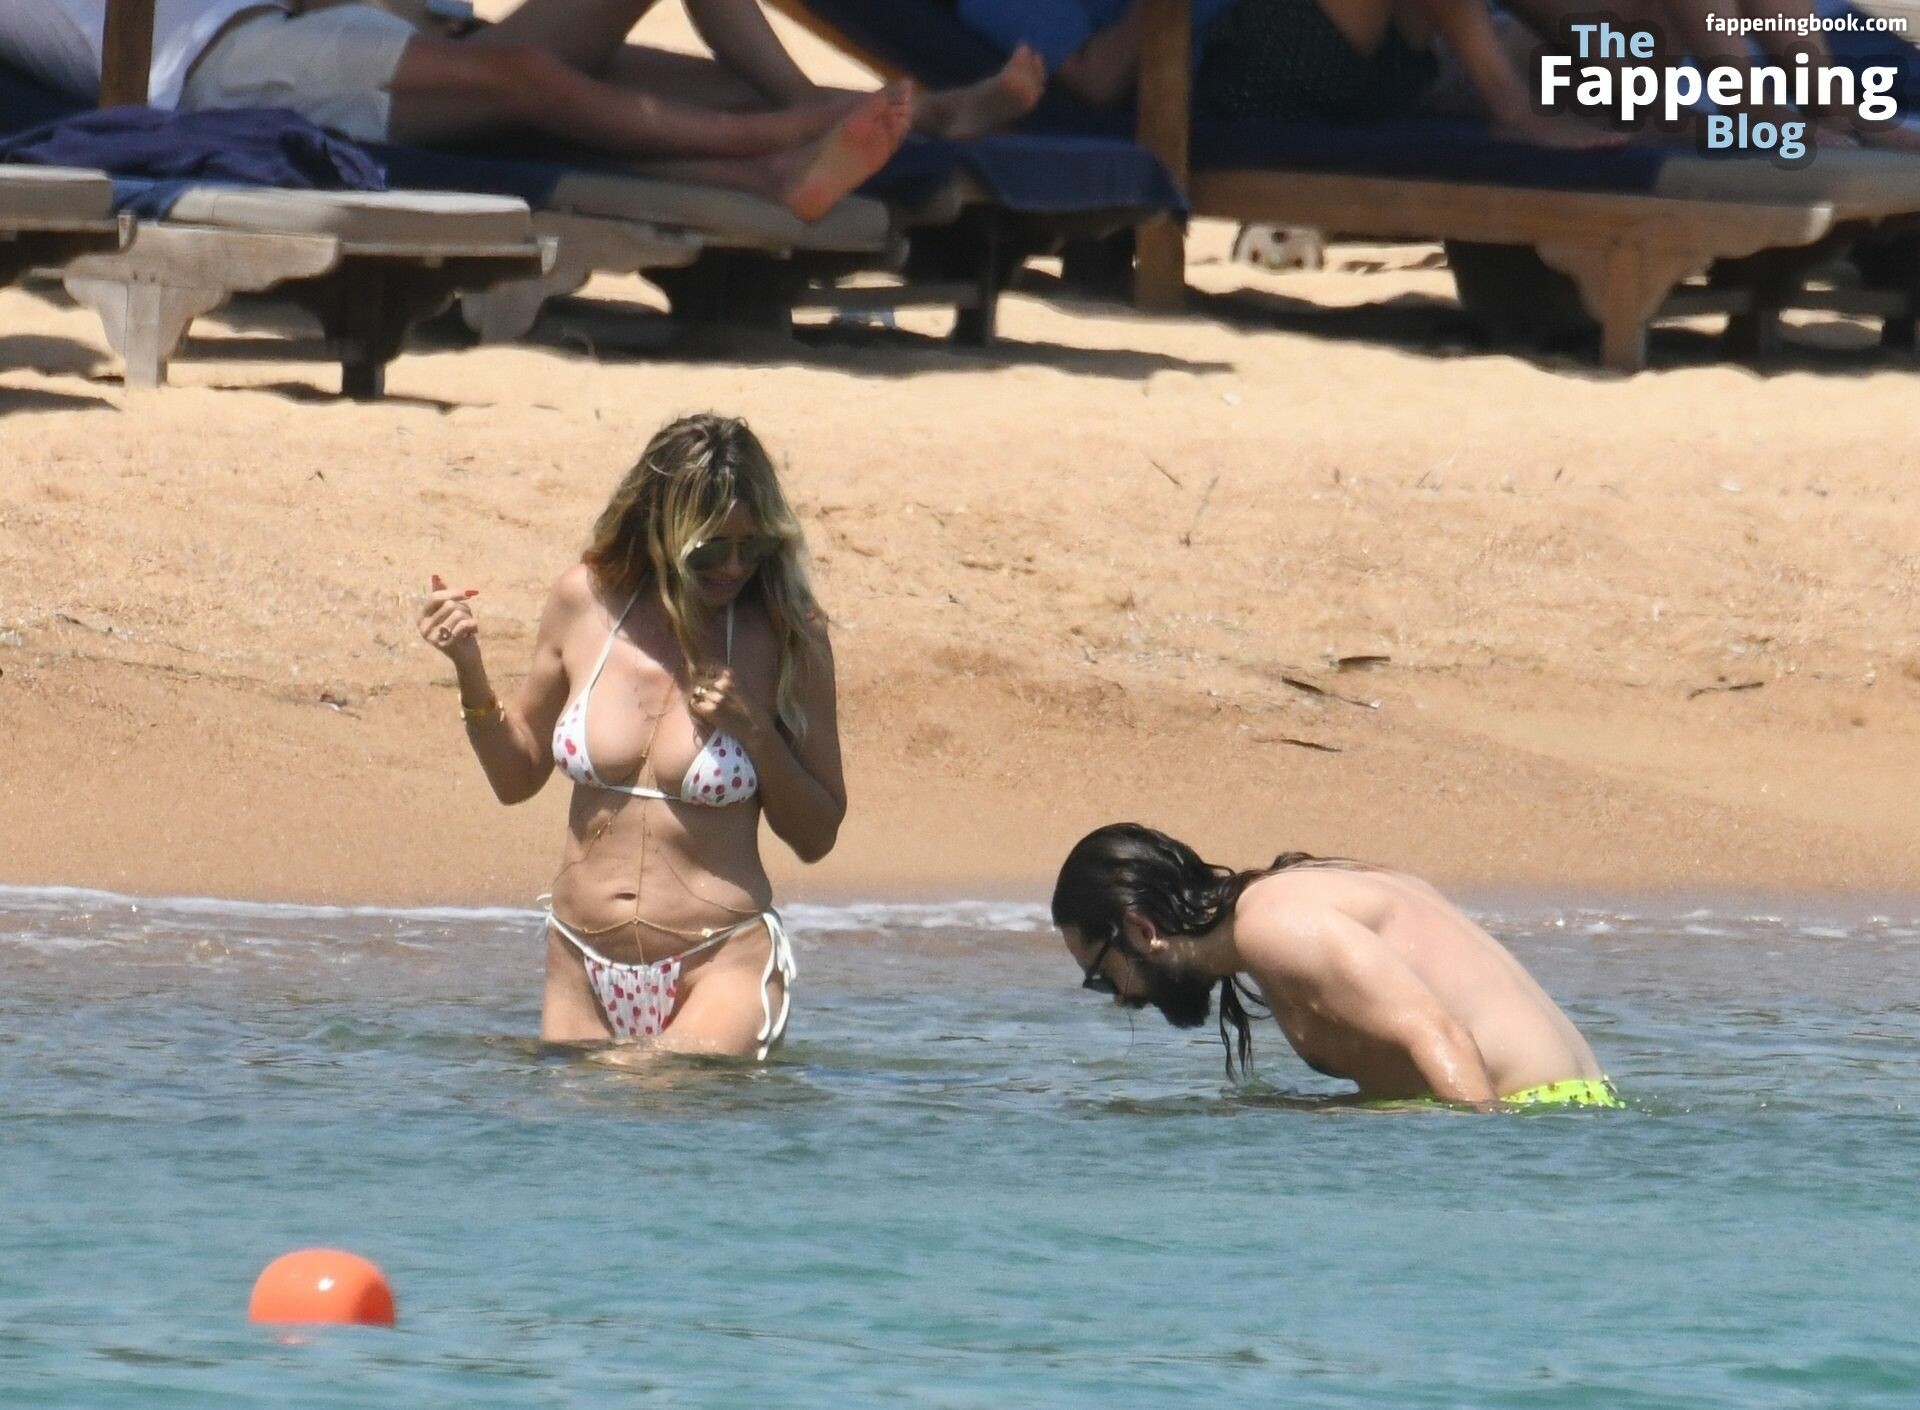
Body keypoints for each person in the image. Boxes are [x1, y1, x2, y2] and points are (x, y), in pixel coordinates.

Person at [416, 414, 845, 1058]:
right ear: (659, 528)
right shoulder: (583, 602)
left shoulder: (786, 631)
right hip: (579, 965)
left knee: (642, 1078)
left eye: (751, 547)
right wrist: (469, 668)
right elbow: (515, 778)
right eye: (711, 549)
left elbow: (817, 835)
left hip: (720, 963)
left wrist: (755, 731)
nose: (734, 566)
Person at [0, 0, 1045, 222]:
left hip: (346, 27)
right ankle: (777, 138)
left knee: (620, 87)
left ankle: (860, 126)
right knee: (538, 89)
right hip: (226, 63)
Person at [1051, 823, 1621, 1108]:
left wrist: (1483, 1171)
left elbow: (1440, 1033)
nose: (1120, 997)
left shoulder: (1275, 925)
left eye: (1102, 976)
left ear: (1141, 931)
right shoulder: (1301, 889)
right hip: (1578, 1105)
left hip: (1532, 1115)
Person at [956, 0, 1620, 148]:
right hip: (1239, 78)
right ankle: (1516, 113)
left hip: (1343, 54)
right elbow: (1097, 79)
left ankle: (1639, 87)